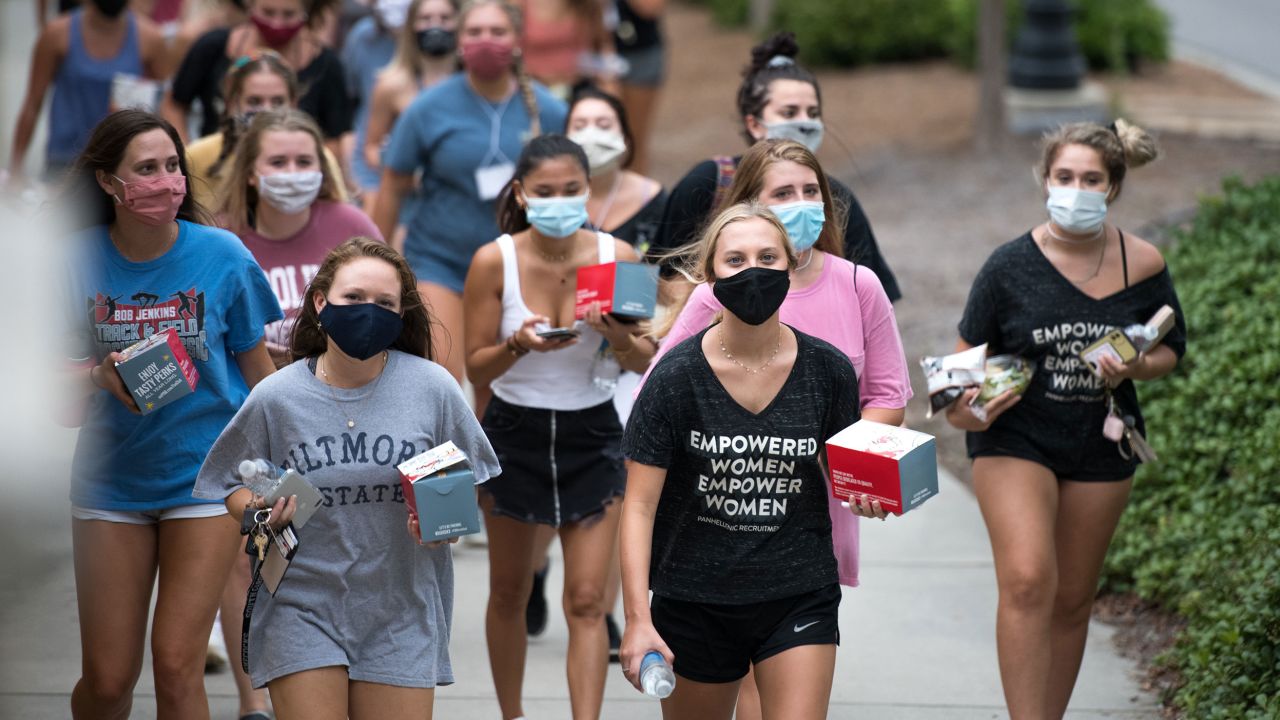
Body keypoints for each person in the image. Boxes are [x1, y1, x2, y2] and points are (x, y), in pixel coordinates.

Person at [640, 136, 908, 718]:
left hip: (809, 533)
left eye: (811, 191)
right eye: (784, 192)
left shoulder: (857, 288)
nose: (801, 201)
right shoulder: (711, 308)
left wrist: (864, 471)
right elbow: (655, 409)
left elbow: (885, 396)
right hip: (708, 553)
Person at [193, 237, 501, 720]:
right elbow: (227, 485)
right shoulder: (277, 396)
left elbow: (464, 485)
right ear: (320, 302)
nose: (367, 312)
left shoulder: (432, 389)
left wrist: (444, 526)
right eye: (353, 298)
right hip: (300, 605)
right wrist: (256, 510)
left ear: (401, 315)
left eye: (384, 303)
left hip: (401, 609)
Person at [945, 119, 1185, 719]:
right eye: (1065, 176)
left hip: (1102, 441)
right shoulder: (1008, 267)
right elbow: (955, 378)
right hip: (1015, 438)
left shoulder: (1143, 262)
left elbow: (1171, 349)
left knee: (1074, 599)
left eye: (1091, 179)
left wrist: (1134, 367)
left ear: (1113, 187)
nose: (1076, 189)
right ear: (1045, 180)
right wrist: (970, 414)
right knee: (1028, 581)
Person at [61, 108, 281, 719]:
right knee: (107, 680)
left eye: (172, 166)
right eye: (146, 169)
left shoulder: (223, 256)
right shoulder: (71, 259)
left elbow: (259, 372)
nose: (166, 180)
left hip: (206, 479)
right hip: (111, 481)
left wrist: (284, 467)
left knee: (177, 665)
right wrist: (96, 377)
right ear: (108, 182)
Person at [619, 201, 863, 719]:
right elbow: (638, 508)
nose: (753, 271)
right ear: (710, 275)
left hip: (798, 593)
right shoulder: (673, 381)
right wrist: (638, 617)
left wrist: (875, 497)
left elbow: (852, 477)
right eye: (735, 260)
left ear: (790, 266)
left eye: (768, 257)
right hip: (693, 600)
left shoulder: (829, 372)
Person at [462, 134, 656, 720]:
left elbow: (645, 355)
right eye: (544, 192)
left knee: (588, 599)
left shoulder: (619, 255)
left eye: (571, 190)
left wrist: (615, 331)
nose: (559, 201)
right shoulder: (493, 259)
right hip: (514, 431)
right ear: (521, 194)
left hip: (593, 431)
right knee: (508, 593)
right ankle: (513, 714)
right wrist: (518, 345)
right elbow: (476, 364)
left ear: (588, 189)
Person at [375, 0, 567, 384]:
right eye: (475, 32)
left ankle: (485, 448)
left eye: (497, 32)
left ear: (517, 40)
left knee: (494, 384)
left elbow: (570, 191)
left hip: (514, 265)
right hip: (439, 259)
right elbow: (393, 186)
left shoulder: (550, 111)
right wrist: (375, 256)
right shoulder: (427, 108)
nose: (485, 40)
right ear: (460, 41)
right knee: (443, 375)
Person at [650, 31, 900, 303]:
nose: (805, 123)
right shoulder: (709, 182)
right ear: (754, 124)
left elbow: (872, 300)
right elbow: (662, 280)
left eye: (813, 113)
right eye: (789, 113)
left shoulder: (837, 198)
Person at [219, 108, 382, 369]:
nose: (292, 173)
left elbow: (390, 310)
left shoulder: (352, 226)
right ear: (250, 173)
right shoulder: (221, 238)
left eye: (304, 162)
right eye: (278, 162)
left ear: (322, 169)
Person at [11, 0, 168, 181]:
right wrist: (16, 169)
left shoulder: (150, 38)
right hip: (65, 161)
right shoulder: (57, 34)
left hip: (121, 162)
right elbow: (32, 103)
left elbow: (164, 105)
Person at [163, 0, 350, 148]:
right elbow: (174, 104)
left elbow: (335, 136)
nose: (277, 23)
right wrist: (187, 155)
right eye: (268, 12)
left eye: (289, 14)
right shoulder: (212, 47)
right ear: (249, 5)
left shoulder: (326, 64)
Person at [186, 50, 349, 211]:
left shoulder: (317, 157)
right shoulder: (198, 156)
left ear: (293, 104)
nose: (266, 111)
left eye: (278, 102)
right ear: (232, 103)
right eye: (254, 101)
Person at [362, 0, 460, 215]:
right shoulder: (391, 86)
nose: (436, 26)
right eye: (426, 19)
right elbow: (371, 148)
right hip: (409, 203)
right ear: (411, 26)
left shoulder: (473, 84)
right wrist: (402, 169)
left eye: (445, 18)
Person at [341, 0, 407, 210]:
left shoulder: (436, 46)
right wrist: (351, 177)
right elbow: (348, 107)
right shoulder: (362, 36)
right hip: (367, 176)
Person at [607, 0, 665, 175]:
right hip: (588, 55)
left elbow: (651, 8)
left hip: (638, 52)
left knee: (633, 142)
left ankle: (638, 198)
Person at [519, 0, 620, 99]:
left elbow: (603, 46)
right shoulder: (519, 4)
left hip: (580, 86)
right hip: (532, 89)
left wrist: (609, 84)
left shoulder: (590, 4)